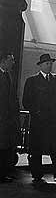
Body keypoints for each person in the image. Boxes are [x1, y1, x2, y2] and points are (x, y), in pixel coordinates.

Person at [22, 54, 56, 183]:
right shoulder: (32, 81)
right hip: (38, 122)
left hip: (53, 122)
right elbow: (26, 101)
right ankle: (37, 175)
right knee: (36, 149)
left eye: (51, 63)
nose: (49, 66)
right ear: (41, 65)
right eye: (47, 64)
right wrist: (36, 112)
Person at [0, 52, 20, 183]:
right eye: (11, 60)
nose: (13, 62)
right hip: (1, 118)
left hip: (7, 119)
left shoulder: (9, 76)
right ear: (3, 60)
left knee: (5, 146)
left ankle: (3, 173)